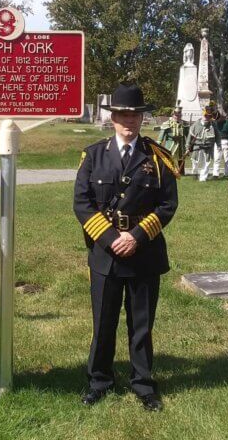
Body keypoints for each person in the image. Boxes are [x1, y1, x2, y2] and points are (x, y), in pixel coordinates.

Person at [74, 83, 179, 412]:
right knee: (103, 322)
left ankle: (143, 383)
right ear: (113, 118)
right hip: (105, 253)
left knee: (141, 324)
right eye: (122, 115)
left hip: (144, 252)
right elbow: (82, 203)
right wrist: (109, 239)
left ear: (142, 118)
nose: (128, 121)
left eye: (134, 115)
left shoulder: (157, 158)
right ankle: (99, 380)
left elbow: (167, 205)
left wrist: (136, 236)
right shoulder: (93, 155)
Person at [187, 106, 221, 181]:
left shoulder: (213, 125)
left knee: (206, 163)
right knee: (195, 161)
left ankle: (203, 178)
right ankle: (195, 173)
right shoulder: (195, 125)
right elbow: (190, 137)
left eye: (209, 116)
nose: (207, 118)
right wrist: (187, 147)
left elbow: (218, 136)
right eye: (206, 116)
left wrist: (219, 145)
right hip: (197, 147)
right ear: (203, 115)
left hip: (208, 148)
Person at [157, 105, 189, 174]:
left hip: (181, 144)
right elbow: (161, 136)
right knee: (169, 157)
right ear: (173, 114)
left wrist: (188, 146)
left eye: (179, 114)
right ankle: (169, 171)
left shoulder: (185, 124)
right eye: (176, 114)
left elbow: (188, 136)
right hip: (170, 144)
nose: (177, 116)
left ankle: (181, 172)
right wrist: (158, 145)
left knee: (181, 158)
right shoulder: (167, 123)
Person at [212, 111, 228, 179]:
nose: (217, 120)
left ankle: (226, 174)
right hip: (217, 142)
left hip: (226, 142)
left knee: (226, 159)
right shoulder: (214, 123)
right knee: (216, 159)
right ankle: (215, 174)